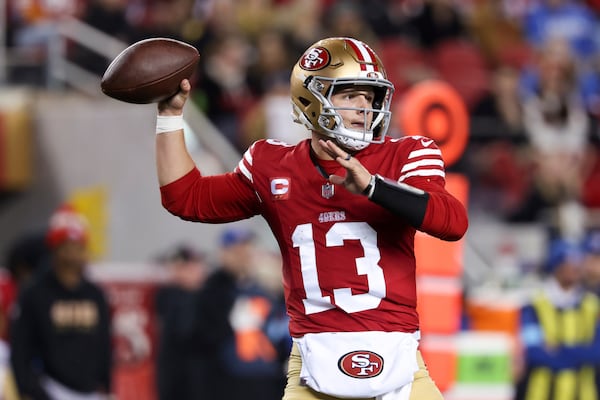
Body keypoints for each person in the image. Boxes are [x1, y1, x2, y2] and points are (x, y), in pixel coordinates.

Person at [154, 37, 468, 399]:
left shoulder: (407, 153)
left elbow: (452, 222)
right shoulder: (272, 166)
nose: (364, 107)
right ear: (311, 98)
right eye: (350, 95)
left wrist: (373, 188)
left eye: (370, 97)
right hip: (313, 366)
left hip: (401, 364)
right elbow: (186, 198)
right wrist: (169, 117)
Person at [9, 204, 113, 400]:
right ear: (56, 249)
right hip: (52, 389)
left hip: (91, 391)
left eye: (79, 246)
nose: (75, 253)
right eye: (69, 246)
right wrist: (26, 389)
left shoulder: (95, 294)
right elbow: (21, 347)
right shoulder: (35, 293)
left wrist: (106, 384)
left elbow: (104, 343)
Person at [193, 226, 291, 400]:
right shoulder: (213, 289)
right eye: (237, 250)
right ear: (224, 253)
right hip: (230, 378)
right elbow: (203, 336)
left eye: (246, 248)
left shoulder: (264, 287)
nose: (244, 255)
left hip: (267, 376)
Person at [515, 238, 600, 399]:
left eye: (578, 263)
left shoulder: (592, 305)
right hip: (542, 394)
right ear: (556, 266)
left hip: (582, 394)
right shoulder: (534, 305)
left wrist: (559, 349)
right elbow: (534, 352)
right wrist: (580, 353)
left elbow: (597, 352)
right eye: (569, 262)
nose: (575, 268)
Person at [154, 245, 209, 400]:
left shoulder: (206, 295)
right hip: (176, 377)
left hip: (199, 377)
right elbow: (183, 332)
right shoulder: (168, 296)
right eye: (191, 266)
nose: (199, 270)